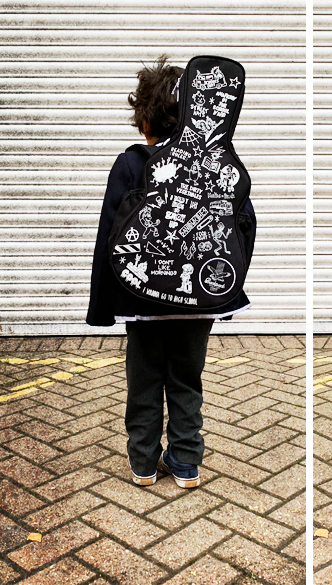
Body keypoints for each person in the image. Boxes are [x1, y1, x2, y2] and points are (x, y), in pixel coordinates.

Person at [87, 55, 254, 489]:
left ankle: (143, 463)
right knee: (186, 379)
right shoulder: (219, 168)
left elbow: (110, 235)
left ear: (145, 121)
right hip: (197, 303)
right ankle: (186, 463)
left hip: (141, 299)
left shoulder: (132, 162)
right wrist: (228, 293)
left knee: (144, 380)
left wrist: (104, 305)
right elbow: (242, 229)